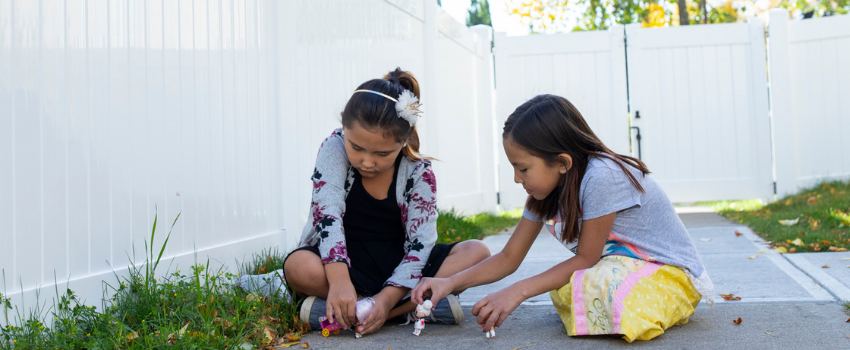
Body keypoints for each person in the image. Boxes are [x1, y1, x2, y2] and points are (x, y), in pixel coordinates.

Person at [412, 94, 714, 342]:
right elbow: (508, 257)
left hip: (669, 274)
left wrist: (517, 291)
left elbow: (585, 258)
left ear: (562, 163)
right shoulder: (543, 194)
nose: (517, 178)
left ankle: (651, 308)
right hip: (618, 268)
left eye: (523, 168)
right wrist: (447, 283)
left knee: (595, 286)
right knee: (574, 288)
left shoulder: (602, 177)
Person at [283, 68, 490, 336]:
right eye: (356, 147)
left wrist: (386, 300)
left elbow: (421, 244)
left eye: (382, 153)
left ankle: (369, 312)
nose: (367, 161)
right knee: (297, 266)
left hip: (400, 265)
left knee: (477, 254)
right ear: (344, 127)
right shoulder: (333, 148)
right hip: (346, 264)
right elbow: (327, 215)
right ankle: (413, 308)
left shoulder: (419, 173)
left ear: (403, 142)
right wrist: (339, 281)